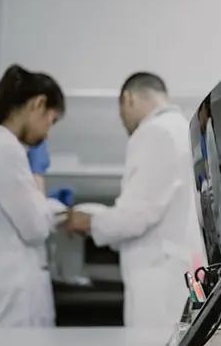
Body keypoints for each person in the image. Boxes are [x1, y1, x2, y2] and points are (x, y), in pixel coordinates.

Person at [65, 72, 204, 327]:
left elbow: (134, 217)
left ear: (128, 99)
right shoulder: (183, 129)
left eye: (121, 115)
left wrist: (90, 222)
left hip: (158, 283)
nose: (124, 124)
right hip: (179, 274)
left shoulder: (153, 132)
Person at [0, 64, 68, 327]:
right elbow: (34, 228)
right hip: (14, 306)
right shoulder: (5, 149)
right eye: (51, 120)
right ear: (38, 104)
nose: (47, 133)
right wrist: (48, 199)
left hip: (4, 298)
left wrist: (44, 205)